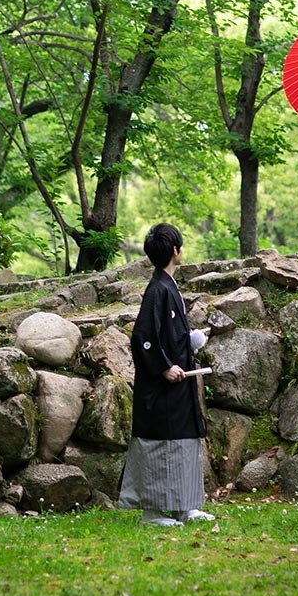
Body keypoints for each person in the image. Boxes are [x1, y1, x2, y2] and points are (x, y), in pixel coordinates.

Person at [118, 223, 214, 527]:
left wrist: (190, 339)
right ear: (175, 251)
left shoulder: (168, 286)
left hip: (179, 386)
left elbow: (169, 332)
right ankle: (153, 512)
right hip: (160, 388)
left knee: (185, 441)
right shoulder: (158, 289)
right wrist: (163, 366)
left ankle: (186, 506)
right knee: (160, 444)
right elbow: (143, 337)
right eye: (180, 246)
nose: (182, 250)